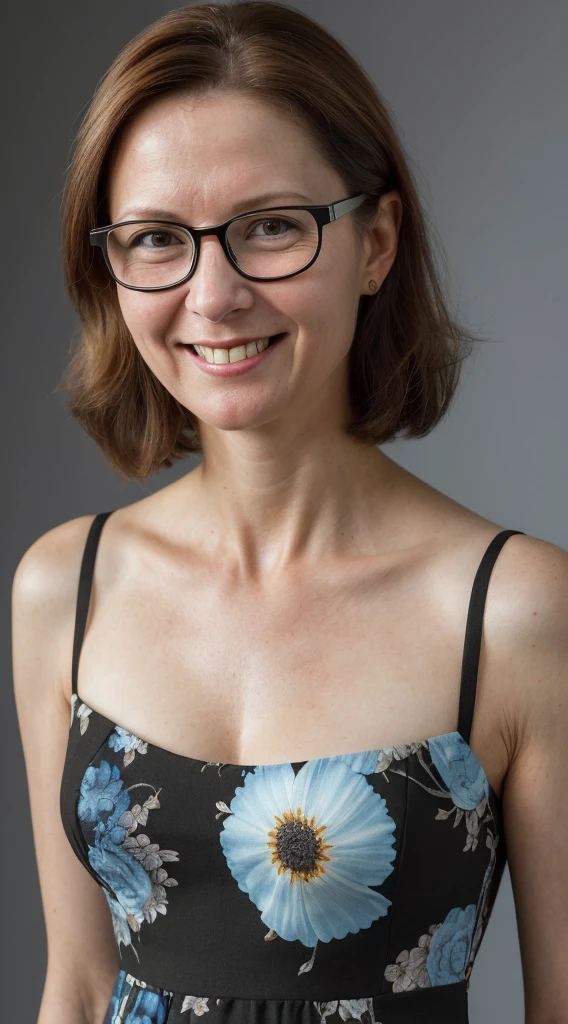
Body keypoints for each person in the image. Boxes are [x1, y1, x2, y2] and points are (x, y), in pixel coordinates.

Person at [11, 2, 567, 1023]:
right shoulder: (64, 587)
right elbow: (79, 986)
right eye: (156, 239)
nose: (212, 295)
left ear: (376, 241)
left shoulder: (518, 612)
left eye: (270, 226)